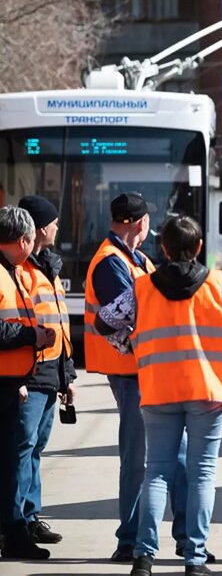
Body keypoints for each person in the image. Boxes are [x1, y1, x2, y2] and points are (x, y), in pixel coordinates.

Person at [95, 215, 222, 576]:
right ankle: (195, 558)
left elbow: (104, 321)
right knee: (202, 473)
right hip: (208, 391)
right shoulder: (218, 284)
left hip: (158, 388)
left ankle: (143, 556)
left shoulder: (142, 288)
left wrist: (130, 346)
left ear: (163, 248)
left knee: (157, 472)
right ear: (198, 247)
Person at [85, 193, 195, 564]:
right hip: (131, 373)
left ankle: (184, 539)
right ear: (140, 223)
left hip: (149, 370)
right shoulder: (110, 263)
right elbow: (125, 320)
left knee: (175, 455)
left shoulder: (136, 259)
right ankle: (130, 540)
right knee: (139, 457)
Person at [13, 196, 74, 548]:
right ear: (38, 229)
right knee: (22, 447)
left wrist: (68, 376)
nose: (56, 227)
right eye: (52, 223)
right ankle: (16, 523)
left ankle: (31, 516)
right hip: (31, 373)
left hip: (51, 372)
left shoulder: (50, 267)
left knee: (35, 448)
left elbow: (60, 324)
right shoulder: (20, 269)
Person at [0, 206, 53, 561]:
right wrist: (33, 336)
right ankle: (14, 534)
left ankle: (14, 532)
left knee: (8, 462)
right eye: (32, 241)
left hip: (9, 382)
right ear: (23, 240)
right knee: (7, 463)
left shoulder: (11, 271)